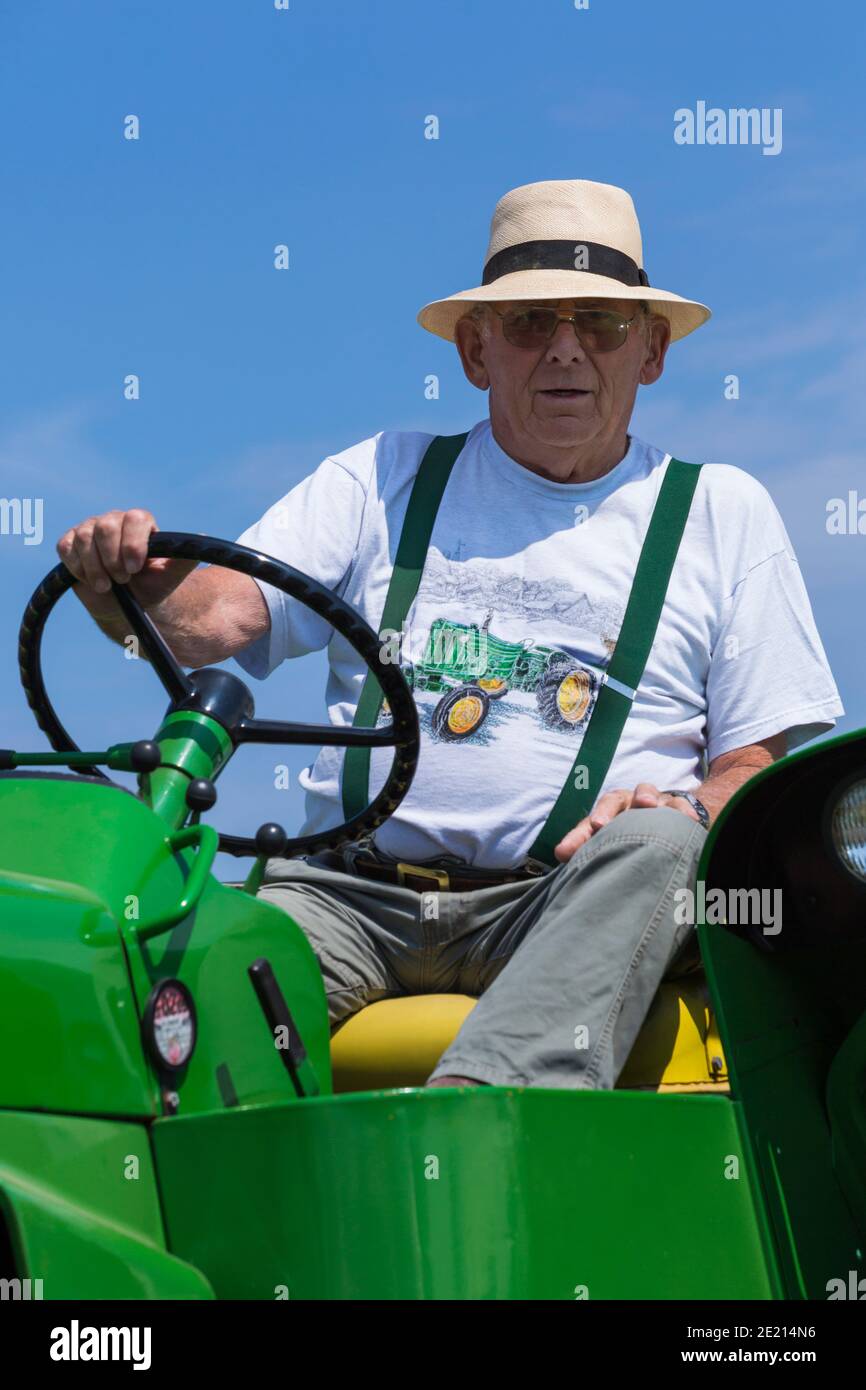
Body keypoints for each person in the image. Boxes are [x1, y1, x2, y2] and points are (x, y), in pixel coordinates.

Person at [57, 179, 843, 1091]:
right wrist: (120, 583)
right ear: (476, 351)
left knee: (665, 853)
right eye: (528, 323)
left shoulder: (720, 511)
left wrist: (690, 809)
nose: (565, 350)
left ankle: (480, 1118)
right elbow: (209, 625)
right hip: (347, 896)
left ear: (652, 351)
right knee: (175, 980)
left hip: (563, 905)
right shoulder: (381, 475)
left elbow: (756, 766)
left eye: (600, 323)